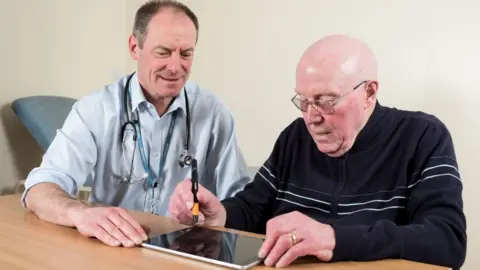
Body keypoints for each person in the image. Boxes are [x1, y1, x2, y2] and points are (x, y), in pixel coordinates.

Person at [168, 34, 467, 269]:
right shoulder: (295, 138)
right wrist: (219, 215)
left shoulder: (423, 137)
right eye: (304, 101)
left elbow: (447, 240)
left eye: (326, 100)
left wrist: (334, 238)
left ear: (370, 92)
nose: (311, 117)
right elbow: (253, 208)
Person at [21, 0, 251, 249]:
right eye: (163, 52)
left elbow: (241, 202)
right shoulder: (97, 110)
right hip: (112, 250)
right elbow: (40, 188)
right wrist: (79, 213)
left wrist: (212, 213)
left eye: (186, 53)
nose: (175, 67)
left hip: (184, 252)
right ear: (134, 47)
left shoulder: (214, 114)